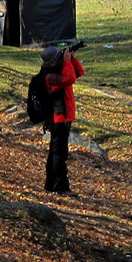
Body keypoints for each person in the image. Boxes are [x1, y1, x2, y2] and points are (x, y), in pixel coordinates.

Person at [40, 44, 84, 195]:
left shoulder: (58, 71)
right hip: (59, 119)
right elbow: (70, 78)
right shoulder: (49, 76)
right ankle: (61, 186)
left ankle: (51, 184)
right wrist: (66, 61)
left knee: (55, 152)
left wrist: (72, 58)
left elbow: (79, 72)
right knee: (60, 154)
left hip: (64, 118)